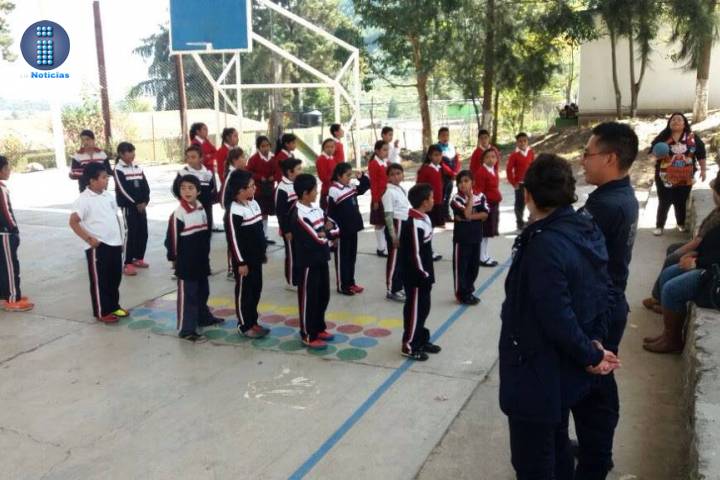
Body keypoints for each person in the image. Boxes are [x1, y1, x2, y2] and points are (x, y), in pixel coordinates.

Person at [499, 154, 620, 480]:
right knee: (556, 446)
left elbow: (556, 315)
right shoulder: (585, 227)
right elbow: (605, 290)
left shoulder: (543, 245)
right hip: (565, 366)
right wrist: (594, 343)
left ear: (527, 195)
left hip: (537, 370)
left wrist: (591, 353)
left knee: (535, 461)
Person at [573, 121, 639, 479]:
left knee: (594, 390)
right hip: (609, 302)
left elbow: (571, 254)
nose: (583, 160)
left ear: (610, 158)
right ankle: (595, 451)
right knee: (597, 384)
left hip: (599, 309)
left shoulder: (606, 207)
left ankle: (595, 461)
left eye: (588, 154)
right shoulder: (617, 197)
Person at [643, 174, 720, 315]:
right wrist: (695, 253)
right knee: (672, 257)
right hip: (705, 257)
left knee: (672, 262)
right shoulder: (717, 212)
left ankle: (661, 301)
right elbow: (707, 243)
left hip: (713, 272)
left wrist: (694, 260)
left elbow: (700, 241)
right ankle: (660, 300)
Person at [643, 215, 720, 354]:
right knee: (668, 273)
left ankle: (673, 341)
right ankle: (668, 334)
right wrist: (695, 254)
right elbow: (711, 242)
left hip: (714, 276)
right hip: (708, 264)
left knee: (672, 290)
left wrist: (696, 262)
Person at [165, 175, 222, 342]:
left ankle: (203, 317)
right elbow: (172, 239)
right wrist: (174, 259)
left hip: (201, 259)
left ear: (198, 191)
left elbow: (205, 233)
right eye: (183, 188)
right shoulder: (178, 214)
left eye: (190, 188)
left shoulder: (201, 208)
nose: (186, 191)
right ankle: (186, 329)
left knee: (203, 291)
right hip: (186, 263)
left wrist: (206, 254)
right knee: (188, 296)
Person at [69, 163, 129, 323]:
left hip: (114, 244)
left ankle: (114, 306)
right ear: (92, 180)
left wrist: (120, 239)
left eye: (107, 177)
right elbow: (73, 222)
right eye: (103, 177)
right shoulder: (83, 200)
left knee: (114, 278)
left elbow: (114, 217)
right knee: (100, 281)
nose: (107, 180)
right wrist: (89, 239)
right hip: (98, 246)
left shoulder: (108, 196)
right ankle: (102, 311)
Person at [291, 174, 339, 349]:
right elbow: (316, 239)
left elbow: (335, 227)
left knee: (322, 296)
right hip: (307, 263)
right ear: (305, 193)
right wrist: (326, 233)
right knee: (308, 299)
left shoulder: (316, 209)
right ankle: (307, 334)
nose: (317, 193)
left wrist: (325, 232)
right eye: (314, 190)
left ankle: (319, 328)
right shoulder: (298, 214)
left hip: (321, 259)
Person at [225, 170, 271, 339]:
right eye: (251, 186)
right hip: (244, 262)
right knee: (245, 293)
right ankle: (244, 325)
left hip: (256, 259)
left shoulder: (254, 204)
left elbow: (259, 231)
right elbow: (233, 240)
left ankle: (253, 321)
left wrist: (262, 251)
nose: (254, 188)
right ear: (240, 190)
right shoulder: (234, 211)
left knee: (256, 289)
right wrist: (240, 263)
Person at [398, 183, 442, 361]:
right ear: (424, 202)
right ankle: (409, 345)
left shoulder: (424, 218)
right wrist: (423, 274)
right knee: (414, 310)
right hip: (416, 277)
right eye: (431, 197)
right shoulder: (414, 224)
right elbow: (414, 254)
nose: (433, 200)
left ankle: (420, 339)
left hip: (424, 274)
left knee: (423, 309)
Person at [650, 112, 708, 236]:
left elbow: (701, 154)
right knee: (664, 200)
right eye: (673, 120)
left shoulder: (692, 138)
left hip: (685, 176)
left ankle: (680, 223)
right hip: (665, 175)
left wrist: (703, 170)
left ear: (684, 124)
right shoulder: (663, 136)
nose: (675, 121)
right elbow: (653, 151)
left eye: (679, 119)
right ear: (669, 123)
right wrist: (659, 153)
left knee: (680, 200)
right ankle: (659, 226)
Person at [328, 162, 371, 296]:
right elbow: (330, 214)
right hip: (342, 231)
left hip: (353, 229)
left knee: (351, 258)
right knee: (343, 259)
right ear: (338, 176)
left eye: (350, 175)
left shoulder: (350, 187)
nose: (349, 178)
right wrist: (333, 235)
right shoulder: (334, 190)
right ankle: (342, 285)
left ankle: (351, 282)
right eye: (347, 175)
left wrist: (361, 177)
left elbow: (365, 186)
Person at [0, 155, 34, 312]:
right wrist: (14, 229)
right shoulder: (1, 188)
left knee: (2, 266)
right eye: (6, 168)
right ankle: (13, 298)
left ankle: (4, 296)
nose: (9, 171)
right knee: (10, 266)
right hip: (5, 233)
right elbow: (6, 212)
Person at [451, 170, 489, 305]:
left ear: (472, 182)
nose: (463, 184)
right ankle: (461, 294)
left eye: (466, 181)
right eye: (460, 182)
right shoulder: (456, 199)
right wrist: (471, 199)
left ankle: (469, 291)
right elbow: (466, 213)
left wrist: (469, 217)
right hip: (462, 239)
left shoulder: (481, 196)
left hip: (476, 237)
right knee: (461, 268)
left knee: (473, 268)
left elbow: (485, 214)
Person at [113, 142, 150, 276]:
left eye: (133, 151)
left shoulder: (137, 167)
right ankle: (127, 263)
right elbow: (123, 190)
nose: (133, 154)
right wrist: (136, 203)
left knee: (143, 231)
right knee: (131, 232)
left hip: (142, 206)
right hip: (129, 207)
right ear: (121, 154)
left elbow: (145, 186)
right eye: (129, 152)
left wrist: (145, 201)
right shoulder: (118, 169)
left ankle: (138, 258)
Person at [173, 145, 217, 237]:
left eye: (193, 157)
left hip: (206, 211)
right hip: (190, 212)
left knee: (206, 236)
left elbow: (212, 189)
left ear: (201, 158)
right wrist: (187, 202)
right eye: (188, 157)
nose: (190, 160)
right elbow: (175, 190)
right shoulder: (183, 173)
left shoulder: (208, 173)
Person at [382, 163, 410, 302]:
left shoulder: (401, 189)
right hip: (395, 226)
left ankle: (399, 286)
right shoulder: (389, 193)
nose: (396, 176)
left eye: (398, 173)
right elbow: (388, 216)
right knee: (394, 260)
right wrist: (393, 235)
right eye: (392, 174)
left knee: (401, 259)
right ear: (388, 177)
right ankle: (391, 289)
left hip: (404, 225)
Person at [275, 158, 303, 291]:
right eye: (298, 169)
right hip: (289, 230)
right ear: (290, 172)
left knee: (298, 253)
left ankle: (298, 277)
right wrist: (286, 230)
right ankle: (291, 281)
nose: (301, 171)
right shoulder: (282, 189)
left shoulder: (297, 184)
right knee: (291, 254)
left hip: (299, 227)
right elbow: (280, 213)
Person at [248, 135, 280, 244]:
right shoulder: (254, 159)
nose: (266, 148)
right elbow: (249, 172)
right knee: (259, 212)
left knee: (266, 213)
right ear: (258, 147)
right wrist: (259, 177)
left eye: (267, 145)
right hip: (258, 190)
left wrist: (273, 177)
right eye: (263, 146)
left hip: (269, 189)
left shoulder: (273, 157)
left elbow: (278, 172)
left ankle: (265, 235)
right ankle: (258, 236)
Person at [474, 148, 502, 267]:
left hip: (494, 205)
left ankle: (484, 255)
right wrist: (482, 208)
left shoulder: (493, 170)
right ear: (483, 159)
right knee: (484, 233)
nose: (491, 159)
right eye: (487, 157)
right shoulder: (481, 172)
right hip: (487, 206)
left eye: (493, 157)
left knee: (487, 233)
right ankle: (482, 257)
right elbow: (478, 191)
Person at [506, 132, 535, 230]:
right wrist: (514, 183)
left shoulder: (530, 152)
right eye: (520, 141)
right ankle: (519, 222)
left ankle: (531, 220)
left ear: (527, 142)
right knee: (520, 204)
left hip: (530, 183)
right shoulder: (514, 155)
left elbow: (534, 166)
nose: (522, 143)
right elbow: (509, 170)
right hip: (520, 184)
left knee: (532, 202)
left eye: (524, 141)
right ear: (517, 143)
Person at [368, 140, 390, 257]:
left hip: (386, 196)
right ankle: (381, 248)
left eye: (387, 150)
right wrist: (376, 200)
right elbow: (374, 183)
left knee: (385, 222)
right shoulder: (374, 164)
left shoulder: (385, 162)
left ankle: (384, 246)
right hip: (379, 197)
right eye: (384, 150)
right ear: (377, 151)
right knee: (379, 223)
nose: (386, 152)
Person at [416, 145, 445, 229]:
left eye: (440, 155)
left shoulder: (439, 168)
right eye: (435, 155)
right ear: (430, 156)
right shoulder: (425, 169)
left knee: (439, 225)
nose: (438, 157)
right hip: (429, 202)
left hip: (438, 201)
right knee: (430, 225)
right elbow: (419, 185)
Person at [437, 127, 462, 222]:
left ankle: (446, 215)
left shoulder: (451, 147)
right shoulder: (437, 148)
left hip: (451, 176)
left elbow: (457, 160)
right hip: (442, 176)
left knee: (448, 196)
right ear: (439, 137)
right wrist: (452, 173)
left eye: (447, 135)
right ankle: (440, 216)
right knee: (441, 196)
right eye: (443, 135)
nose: (445, 137)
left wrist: (456, 172)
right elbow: (441, 164)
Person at [316, 138, 338, 211]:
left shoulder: (332, 158)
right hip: (327, 191)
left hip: (334, 189)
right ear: (323, 148)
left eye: (332, 147)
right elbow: (324, 178)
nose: (330, 149)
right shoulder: (321, 159)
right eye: (327, 147)